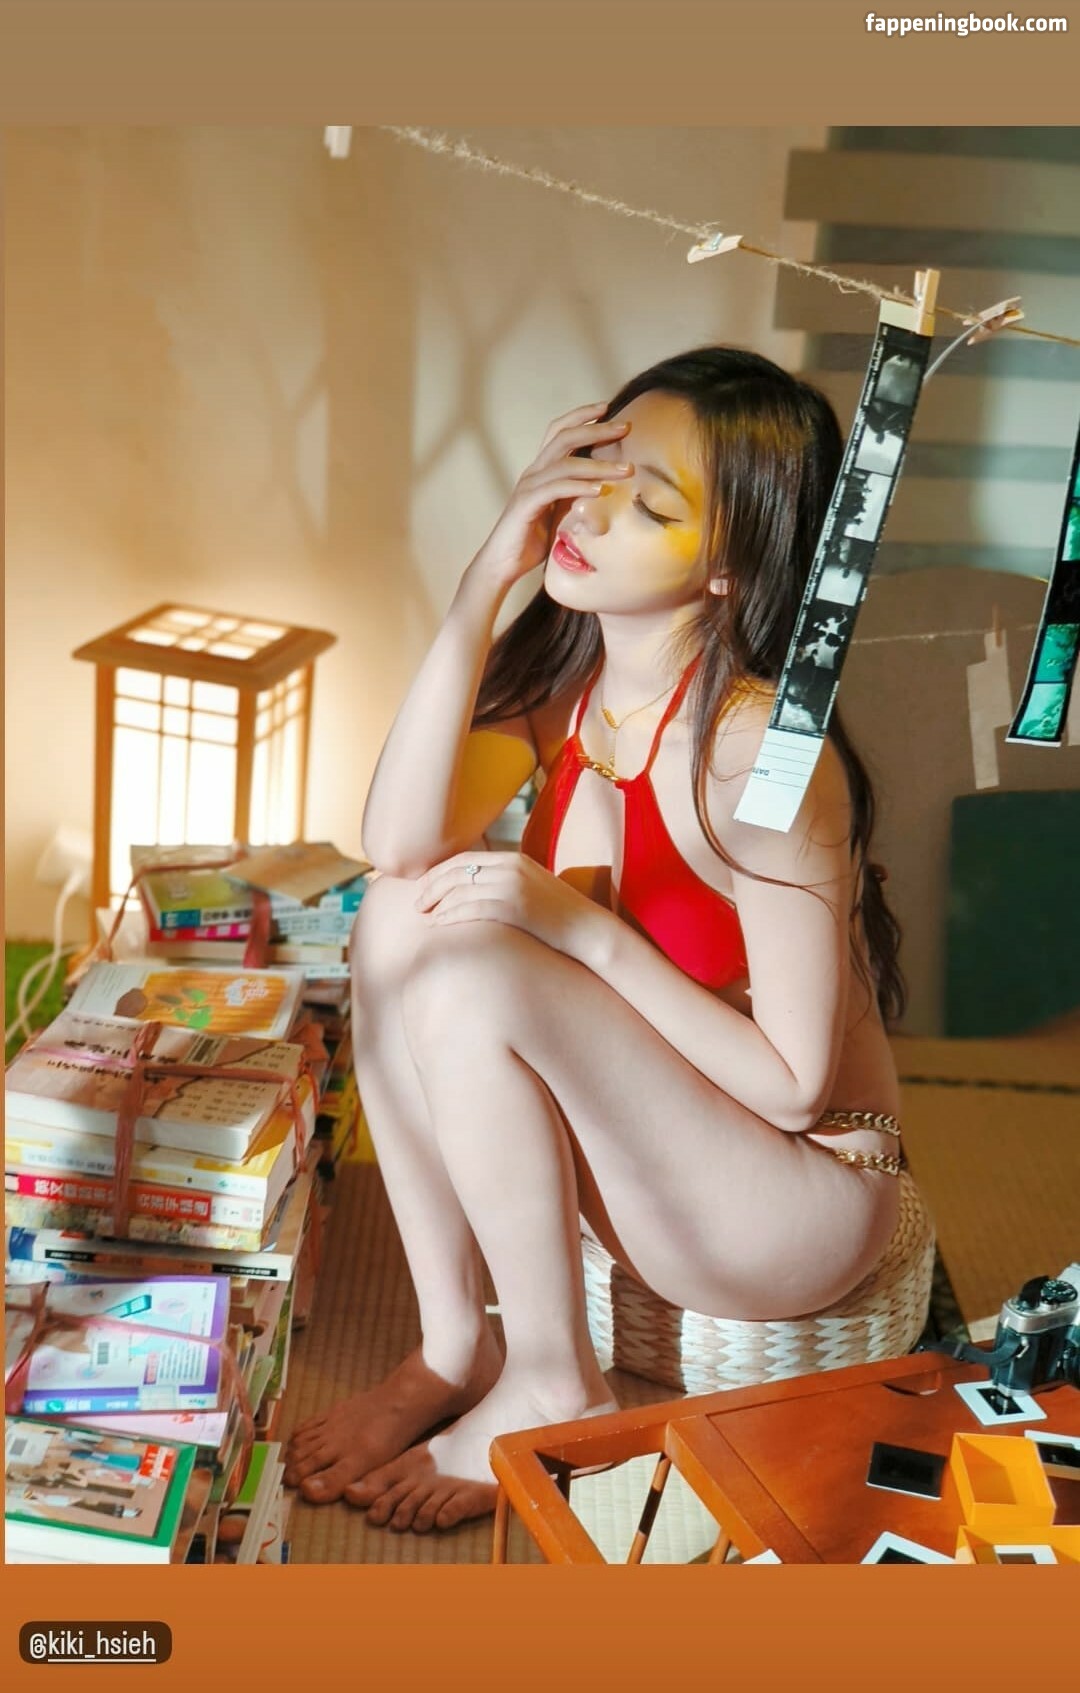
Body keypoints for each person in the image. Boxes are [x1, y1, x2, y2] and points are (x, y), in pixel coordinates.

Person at [283, 346, 910, 1534]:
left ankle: (552, 1380)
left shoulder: (759, 755)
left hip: (794, 1197)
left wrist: (581, 932)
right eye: (593, 471)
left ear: (728, 567)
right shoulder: (576, 685)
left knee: (473, 970)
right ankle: (456, 1345)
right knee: (401, 913)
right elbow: (397, 840)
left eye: (652, 506)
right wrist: (487, 574)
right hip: (661, 1143)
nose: (591, 515)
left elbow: (793, 1085)